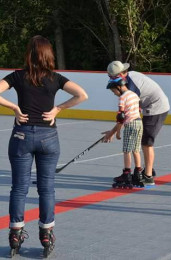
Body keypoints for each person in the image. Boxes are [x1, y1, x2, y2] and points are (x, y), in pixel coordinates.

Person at [0, 35, 88, 257]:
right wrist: (58, 108)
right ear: (49, 55)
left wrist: (14, 108)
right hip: (48, 136)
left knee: (19, 187)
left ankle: (15, 232)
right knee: (46, 188)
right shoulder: (55, 78)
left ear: (28, 54)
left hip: (21, 135)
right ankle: (46, 232)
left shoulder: (18, 76)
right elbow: (82, 95)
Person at [107, 61, 170, 186]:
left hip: (156, 107)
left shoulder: (131, 87)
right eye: (110, 77)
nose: (112, 80)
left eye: (113, 78)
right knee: (140, 142)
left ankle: (148, 176)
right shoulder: (127, 79)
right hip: (148, 106)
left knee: (146, 143)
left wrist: (113, 132)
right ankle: (142, 170)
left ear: (121, 74)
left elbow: (125, 115)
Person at [102, 77, 143, 188]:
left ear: (119, 87)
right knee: (136, 149)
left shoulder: (122, 97)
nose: (114, 93)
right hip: (139, 123)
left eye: (113, 91)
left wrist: (117, 132)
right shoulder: (134, 95)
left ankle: (127, 174)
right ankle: (138, 173)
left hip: (130, 124)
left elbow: (121, 117)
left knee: (126, 150)